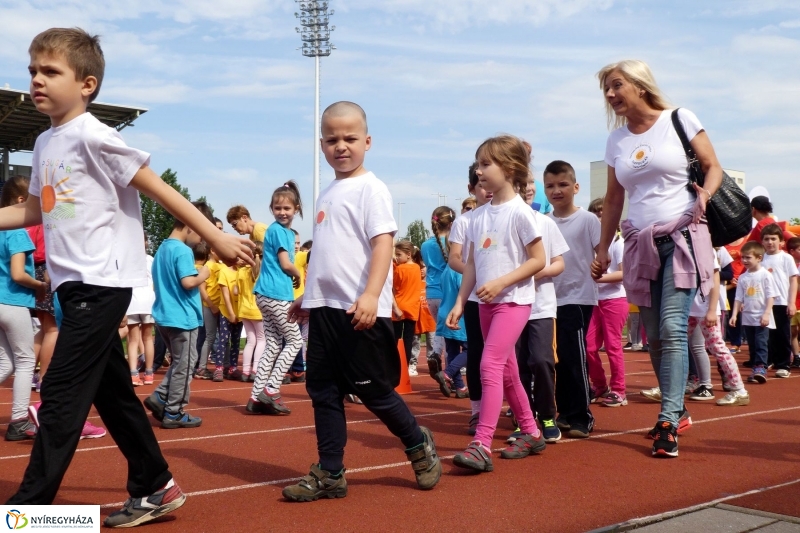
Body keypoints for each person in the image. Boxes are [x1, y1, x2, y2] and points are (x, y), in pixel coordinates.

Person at [2, 28, 253, 525]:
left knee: (62, 398)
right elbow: (34, 207)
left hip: (103, 284)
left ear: (87, 84)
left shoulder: (96, 135)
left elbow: (158, 189)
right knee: (111, 394)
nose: (37, 79)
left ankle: (25, 515)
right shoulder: (45, 139)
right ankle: (155, 484)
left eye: (51, 71)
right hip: (72, 288)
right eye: (33, 70)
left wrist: (217, 238)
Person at [282, 101, 440, 500]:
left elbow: (382, 243)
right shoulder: (327, 192)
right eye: (332, 139)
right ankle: (331, 472)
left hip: (359, 312)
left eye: (350, 138)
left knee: (373, 390)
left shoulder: (372, 188)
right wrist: (309, 297)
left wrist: (372, 296)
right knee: (323, 392)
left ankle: (417, 443)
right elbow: (326, 253)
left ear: (367, 141)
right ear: (322, 145)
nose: (341, 146)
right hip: (325, 312)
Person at [594, 59, 718, 458]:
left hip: (682, 236)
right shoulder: (616, 141)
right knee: (653, 336)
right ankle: (677, 409)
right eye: (606, 90)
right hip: (638, 244)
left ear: (639, 84)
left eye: (616, 86)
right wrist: (601, 246)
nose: (611, 95)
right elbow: (614, 198)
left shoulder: (679, 118)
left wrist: (705, 194)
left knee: (672, 325)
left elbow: (713, 167)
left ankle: (668, 419)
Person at [446, 134, 547, 473]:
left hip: (514, 302)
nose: (479, 170)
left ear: (510, 168)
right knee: (506, 372)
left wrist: (503, 282)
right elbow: (472, 264)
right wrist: (461, 302)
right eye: (477, 164)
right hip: (485, 303)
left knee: (488, 366)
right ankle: (531, 431)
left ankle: (482, 444)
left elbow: (538, 260)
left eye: (486, 164)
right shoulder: (476, 217)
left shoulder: (522, 214)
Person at [143, 201, 212, 429]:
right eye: (201, 233)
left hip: (164, 315)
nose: (201, 240)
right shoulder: (183, 251)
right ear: (191, 225)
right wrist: (204, 273)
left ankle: (161, 396)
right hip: (183, 317)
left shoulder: (163, 248)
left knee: (179, 363)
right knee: (186, 365)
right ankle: (174, 411)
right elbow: (188, 282)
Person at [544, 161, 600, 437]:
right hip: (549, 300)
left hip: (578, 297)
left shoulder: (588, 220)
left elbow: (602, 252)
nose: (557, 190)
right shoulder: (543, 222)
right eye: (551, 186)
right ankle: (564, 412)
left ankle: (581, 415)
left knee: (574, 356)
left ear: (576, 187)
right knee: (557, 359)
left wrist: (601, 264)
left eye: (563, 184)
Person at [513, 178, 568, 443]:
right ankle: (523, 418)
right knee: (517, 365)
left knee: (542, 361)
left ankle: (547, 415)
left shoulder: (546, 223)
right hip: (510, 305)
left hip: (541, 307)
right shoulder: (503, 220)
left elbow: (559, 263)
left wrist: (537, 272)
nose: (527, 190)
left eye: (531, 186)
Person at [246, 182, 303, 415]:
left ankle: (255, 397)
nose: (282, 212)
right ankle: (270, 390)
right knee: (295, 341)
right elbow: (285, 263)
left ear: (296, 209)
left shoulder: (280, 231)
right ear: (271, 209)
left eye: (287, 208)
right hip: (276, 294)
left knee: (272, 344)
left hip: (265, 294)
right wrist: (299, 273)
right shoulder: (281, 231)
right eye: (278, 208)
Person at [448, 163, 493, 434]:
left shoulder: (510, 213)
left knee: (513, 357)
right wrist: (477, 276)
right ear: (471, 189)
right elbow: (455, 258)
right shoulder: (466, 221)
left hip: (508, 298)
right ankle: (477, 411)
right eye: (481, 185)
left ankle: (521, 408)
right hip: (477, 298)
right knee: (476, 355)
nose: (487, 190)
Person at [0, 176, 43, 441]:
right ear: (20, 201)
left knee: (5, 361)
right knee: (27, 361)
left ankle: (18, 420)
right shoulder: (17, 231)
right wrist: (40, 285)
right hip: (14, 302)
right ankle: (18, 421)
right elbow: (18, 274)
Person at [686, 256, 750, 406]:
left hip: (704, 307)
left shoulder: (705, 248)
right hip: (688, 308)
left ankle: (739, 390)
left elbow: (715, 278)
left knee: (717, 348)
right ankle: (670, 386)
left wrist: (712, 309)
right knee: (674, 344)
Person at [585, 196, 628, 408]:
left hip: (614, 299)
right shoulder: (591, 243)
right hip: (594, 300)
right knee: (588, 346)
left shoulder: (619, 242)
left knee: (612, 346)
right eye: (596, 212)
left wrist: (597, 277)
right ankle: (599, 385)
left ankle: (619, 389)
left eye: (603, 211)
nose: (600, 215)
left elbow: (624, 274)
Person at [729, 242, 777, 384]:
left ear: (759, 258)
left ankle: (761, 367)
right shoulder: (743, 277)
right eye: (743, 257)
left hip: (761, 316)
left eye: (748, 257)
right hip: (748, 317)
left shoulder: (765, 275)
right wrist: (734, 314)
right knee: (752, 343)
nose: (744, 261)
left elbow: (771, 296)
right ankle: (754, 367)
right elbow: (738, 298)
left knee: (761, 342)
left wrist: (767, 313)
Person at [419, 206, 455, 375]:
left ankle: (436, 354)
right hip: (447, 292)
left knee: (441, 330)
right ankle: (451, 370)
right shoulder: (451, 243)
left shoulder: (425, 245)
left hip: (430, 293)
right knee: (452, 336)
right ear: (451, 223)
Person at [760, 224, 798, 377]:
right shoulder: (761, 257)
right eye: (767, 239)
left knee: (782, 334)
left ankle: (784, 364)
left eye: (773, 239)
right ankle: (769, 360)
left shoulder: (786, 257)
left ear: (781, 242)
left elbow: (793, 280)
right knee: (766, 335)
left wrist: (791, 302)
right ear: (762, 242)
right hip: (763, 303)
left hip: (781, 301)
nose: (770, 242)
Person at [433, 260, 468, 399]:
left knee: (452, 351)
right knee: (472, 349)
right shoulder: (462, 269)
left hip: (445, 312)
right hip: (459, 315)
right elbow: (464, 291)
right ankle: (448, 372)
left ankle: (460, 386)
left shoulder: (447, 268)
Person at [126, 232, 155, 386]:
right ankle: (149, 373)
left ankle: (133, 373)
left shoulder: (126, 260)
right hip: (148, 302)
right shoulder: (151, 260)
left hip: (132, 302)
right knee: (148, 338)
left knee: (133, 340)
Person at [392, 240, 423, 374]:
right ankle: (406, 365)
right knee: (409, 338)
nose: (397, 258)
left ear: (408, 254)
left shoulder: (399, 269)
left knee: (396, 337)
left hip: (399, 305)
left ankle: (394, 365)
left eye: (399, 255)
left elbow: (394, 286)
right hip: (413, 307)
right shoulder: (417, 268)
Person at [238, 242, 264, 382]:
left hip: (244, 309)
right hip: (258, 310)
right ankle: (256, 369)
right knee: (261, 340)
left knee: (250, 341)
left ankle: (246, 371)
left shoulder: (242, 271)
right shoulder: (263, 271)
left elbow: (236, 291)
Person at [195, 247, 221, 379]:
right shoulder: (207, 267)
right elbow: (202, 288)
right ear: (212, 250)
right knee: (210, 336)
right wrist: (211, 305)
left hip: (221, 306)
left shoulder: (219, 265)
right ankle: (202, 368)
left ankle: (223, 365)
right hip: (209, 306)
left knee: (222, 337)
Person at [788, 237, 800, 368]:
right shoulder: (789, 265)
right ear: (792, 251)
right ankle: (796, 356)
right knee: (792, 332)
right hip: (791, 303)